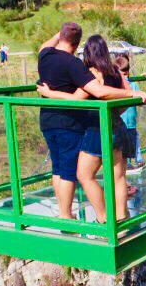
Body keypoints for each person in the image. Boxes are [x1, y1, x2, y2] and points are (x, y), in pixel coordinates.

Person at [38, 35, 146, 223]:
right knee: (118, 177)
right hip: (118, 126)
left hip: (97, 129)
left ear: (87, 53)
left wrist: (49, 94)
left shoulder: (90, 73)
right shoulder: (116, 71)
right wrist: (115, 111)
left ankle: (103, 218)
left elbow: (76, 99)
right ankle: (122, 217)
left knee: (84, 175)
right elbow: (126, 101)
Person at [35, 23, 104, 220]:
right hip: (69, 123)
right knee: (68, 170)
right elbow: (90, 91)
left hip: (47, 119)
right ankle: (65, 215)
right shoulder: (73, 64)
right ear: (77, 43)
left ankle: (63, 210)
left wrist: (60, 33)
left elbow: (44, 45)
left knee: (57, 167)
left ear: (61, 36)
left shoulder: (45, 56)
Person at [115, 54, 146, 175]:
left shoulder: (133, 85)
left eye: (126, 74)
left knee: (134, 140)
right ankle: (126, 164)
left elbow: (140, 101)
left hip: (131, 122)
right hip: (120, 122)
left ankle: (137, 160)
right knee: (122, 145)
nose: (124, 78)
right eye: (121, 75)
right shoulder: (115, 87)